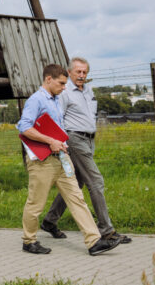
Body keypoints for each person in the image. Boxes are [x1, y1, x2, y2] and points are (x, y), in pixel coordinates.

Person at [17, 63, 121, 256]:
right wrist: (50, 141)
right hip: (43, 162)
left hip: (61, 158)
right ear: (49, 79)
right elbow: (24, 128)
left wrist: (61, 143)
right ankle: (29, 241)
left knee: (77, 199)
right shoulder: (36, 100)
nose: (65, 87)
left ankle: (94, 241)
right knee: (36, 203)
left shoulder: (56, 99)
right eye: (61, 83)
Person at [41, 57, 131, 244]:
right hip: (74, 139)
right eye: (78, 72)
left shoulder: (88, 91)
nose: (81, 75)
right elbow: (57, 118)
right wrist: (61, 143)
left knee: (76, 183)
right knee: (96, 181)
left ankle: (50, 221)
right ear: (70, 72)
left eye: (84, 72)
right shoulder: (65, 93)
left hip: (89, 140)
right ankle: (106, 230)